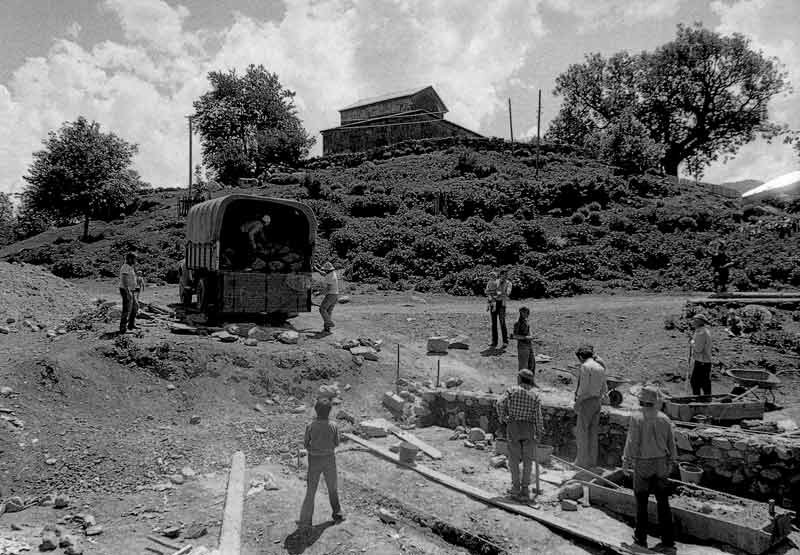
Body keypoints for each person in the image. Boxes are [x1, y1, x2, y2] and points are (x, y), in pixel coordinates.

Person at [622, 385, 677, 550]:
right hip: (661, 463)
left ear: (641, 400)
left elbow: (632, 442)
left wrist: (626, 460)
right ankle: (668, 539)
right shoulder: (665, 418)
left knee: (641, 502)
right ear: (655, 401)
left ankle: (641, 538)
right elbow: (671, 443)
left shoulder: (637, 418)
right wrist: (671, 461)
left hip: (643, 463)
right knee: (663, 501)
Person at [496, 369, 542, 502]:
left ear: (520, 379)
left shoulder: (512, 390)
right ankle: (525, 489)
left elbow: (499, 403)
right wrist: (539, 431)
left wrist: (503, 418)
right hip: (529, 427)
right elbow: (538, 416)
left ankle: (515, 488)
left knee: (514, 458)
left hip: (514, 426)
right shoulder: (535, 394)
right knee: (528, 460)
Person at [298, 398, 344, 530]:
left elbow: (306, 444)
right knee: (332, 488)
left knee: (311, 490)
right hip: (329, 460)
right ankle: (338, 514)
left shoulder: (310, 426)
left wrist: (315, 449)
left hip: (314, 461)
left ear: (316, 411)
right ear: (329, 411)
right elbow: (337, 443)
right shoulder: (333, 425)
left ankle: (306, 521)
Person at [573, 344, 607, 469]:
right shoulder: (600, 367)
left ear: (581, 356)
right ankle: (592, 462)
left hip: (586, 401)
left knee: (582, 433)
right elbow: (604, 387)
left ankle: (581, 462)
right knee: (593, 433)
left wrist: (577, 403)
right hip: (597, 401)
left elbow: (584, 389)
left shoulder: (586, 367)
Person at [488, 269, 512, 349]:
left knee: (502, 322)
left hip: (502, 304)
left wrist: (498, 293)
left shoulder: (509, 283)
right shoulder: (495, 281)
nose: (506, 276)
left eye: (507, 275)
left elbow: (507, 293)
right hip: (494, 303)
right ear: (500, 275)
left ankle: (505, 341)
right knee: (493, 323)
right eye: (504, 275)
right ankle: (494, 341)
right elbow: (489, 292)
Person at [690, 312, 713, 395]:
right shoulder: (702, 331)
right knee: (704, 382)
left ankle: (699, 401)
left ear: (698, 322)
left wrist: (692, 342)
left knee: (696, 382)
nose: (692, 322)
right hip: (703, 361)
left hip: (702, 361)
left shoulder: (701, 332)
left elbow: (698, 349)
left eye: (693, 320)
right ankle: (705, 400)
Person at [314, 262, 340, 332]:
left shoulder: (330, 277)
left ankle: (329, 323)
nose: (324, 271)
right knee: (328, 311)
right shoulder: (332, 273)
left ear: (328, 270)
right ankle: (327, 328)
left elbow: (327, 289)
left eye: (325, 270)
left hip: (331, 295)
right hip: (335, 295)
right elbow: (323, 273)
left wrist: (318, 293)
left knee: (322, 309)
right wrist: (317, 269)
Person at [119, 253, 139, 333]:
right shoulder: (125, 267)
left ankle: (131, 324)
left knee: (135, 306)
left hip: (132, 290)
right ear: (130, 259)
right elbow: (124, 280)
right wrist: (128, 292)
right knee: (126, 308)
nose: (135, 260)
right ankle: (123, 328)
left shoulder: (130, 267)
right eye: (134, 259)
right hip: (126, 290)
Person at [512, 307, 536, 376]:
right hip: (522, 347)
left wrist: (531, 336)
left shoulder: (526, 321)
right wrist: (526, 337)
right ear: (521, 313)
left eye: (528, 312)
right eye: (526, 312)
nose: (528, 314)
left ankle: (530, 381)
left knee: (532, 365)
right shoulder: (517, 323)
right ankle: (522, 383)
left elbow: (529, 331)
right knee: (523, 367)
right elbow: (514, 336)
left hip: (529, 345)